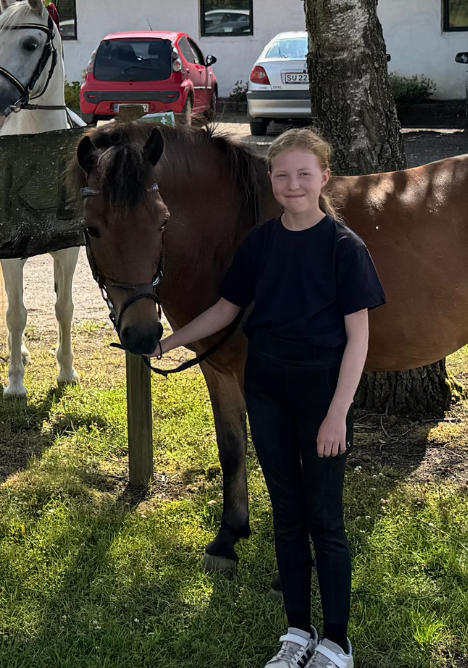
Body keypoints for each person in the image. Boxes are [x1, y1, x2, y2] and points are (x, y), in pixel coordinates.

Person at [150, 128, 383, 668]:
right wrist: (168, 340)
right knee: (286, 515)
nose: (293, 184)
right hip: (268, 389)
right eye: (282, 175)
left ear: (324, 178)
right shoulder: (260, 242)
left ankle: (337, 641)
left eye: (304, 174)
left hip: (322, 390)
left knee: (325, 519)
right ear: (272, 181)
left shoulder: (344, 248)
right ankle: (298, 633)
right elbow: (226, 310)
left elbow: (359, 339)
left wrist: (338, 415)